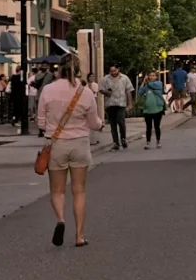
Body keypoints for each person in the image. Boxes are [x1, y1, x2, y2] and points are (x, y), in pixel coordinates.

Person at [37, 55, 103, 248]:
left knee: (57, 190)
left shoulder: (48, 90)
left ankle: (60, 219)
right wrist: (100, 125)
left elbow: (41, 122)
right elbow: (94, 122)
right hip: (80, 143)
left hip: (56, 144)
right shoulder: (85, 91)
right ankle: (79, 236)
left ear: (59, 69)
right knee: (79, 190)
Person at [100, 65, 134, 150]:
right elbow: (100, 89)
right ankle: (116, 142)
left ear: (118, 69)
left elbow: (129, 91)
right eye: (111, 71)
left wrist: (130, 104)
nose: (113, 73)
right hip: (110, 104)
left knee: (121, 121)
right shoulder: (106, 79)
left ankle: (123, 139)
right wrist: (106, 92)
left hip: (121, 103)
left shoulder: (124, 78)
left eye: (114, 71)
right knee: (113, 124)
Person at [137, 71, 166, 150]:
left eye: (153, 75)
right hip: (147, 110)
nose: (152, 77)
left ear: (156, 77)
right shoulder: (147, 86)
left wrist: (147, 81)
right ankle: (148, 142)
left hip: (158, 109)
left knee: (157, 126)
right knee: (148, 127)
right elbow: (140, 92)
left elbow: (152, 85)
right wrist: (143, 82)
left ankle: (158, 141)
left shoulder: (158, 83)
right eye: (150, 75)